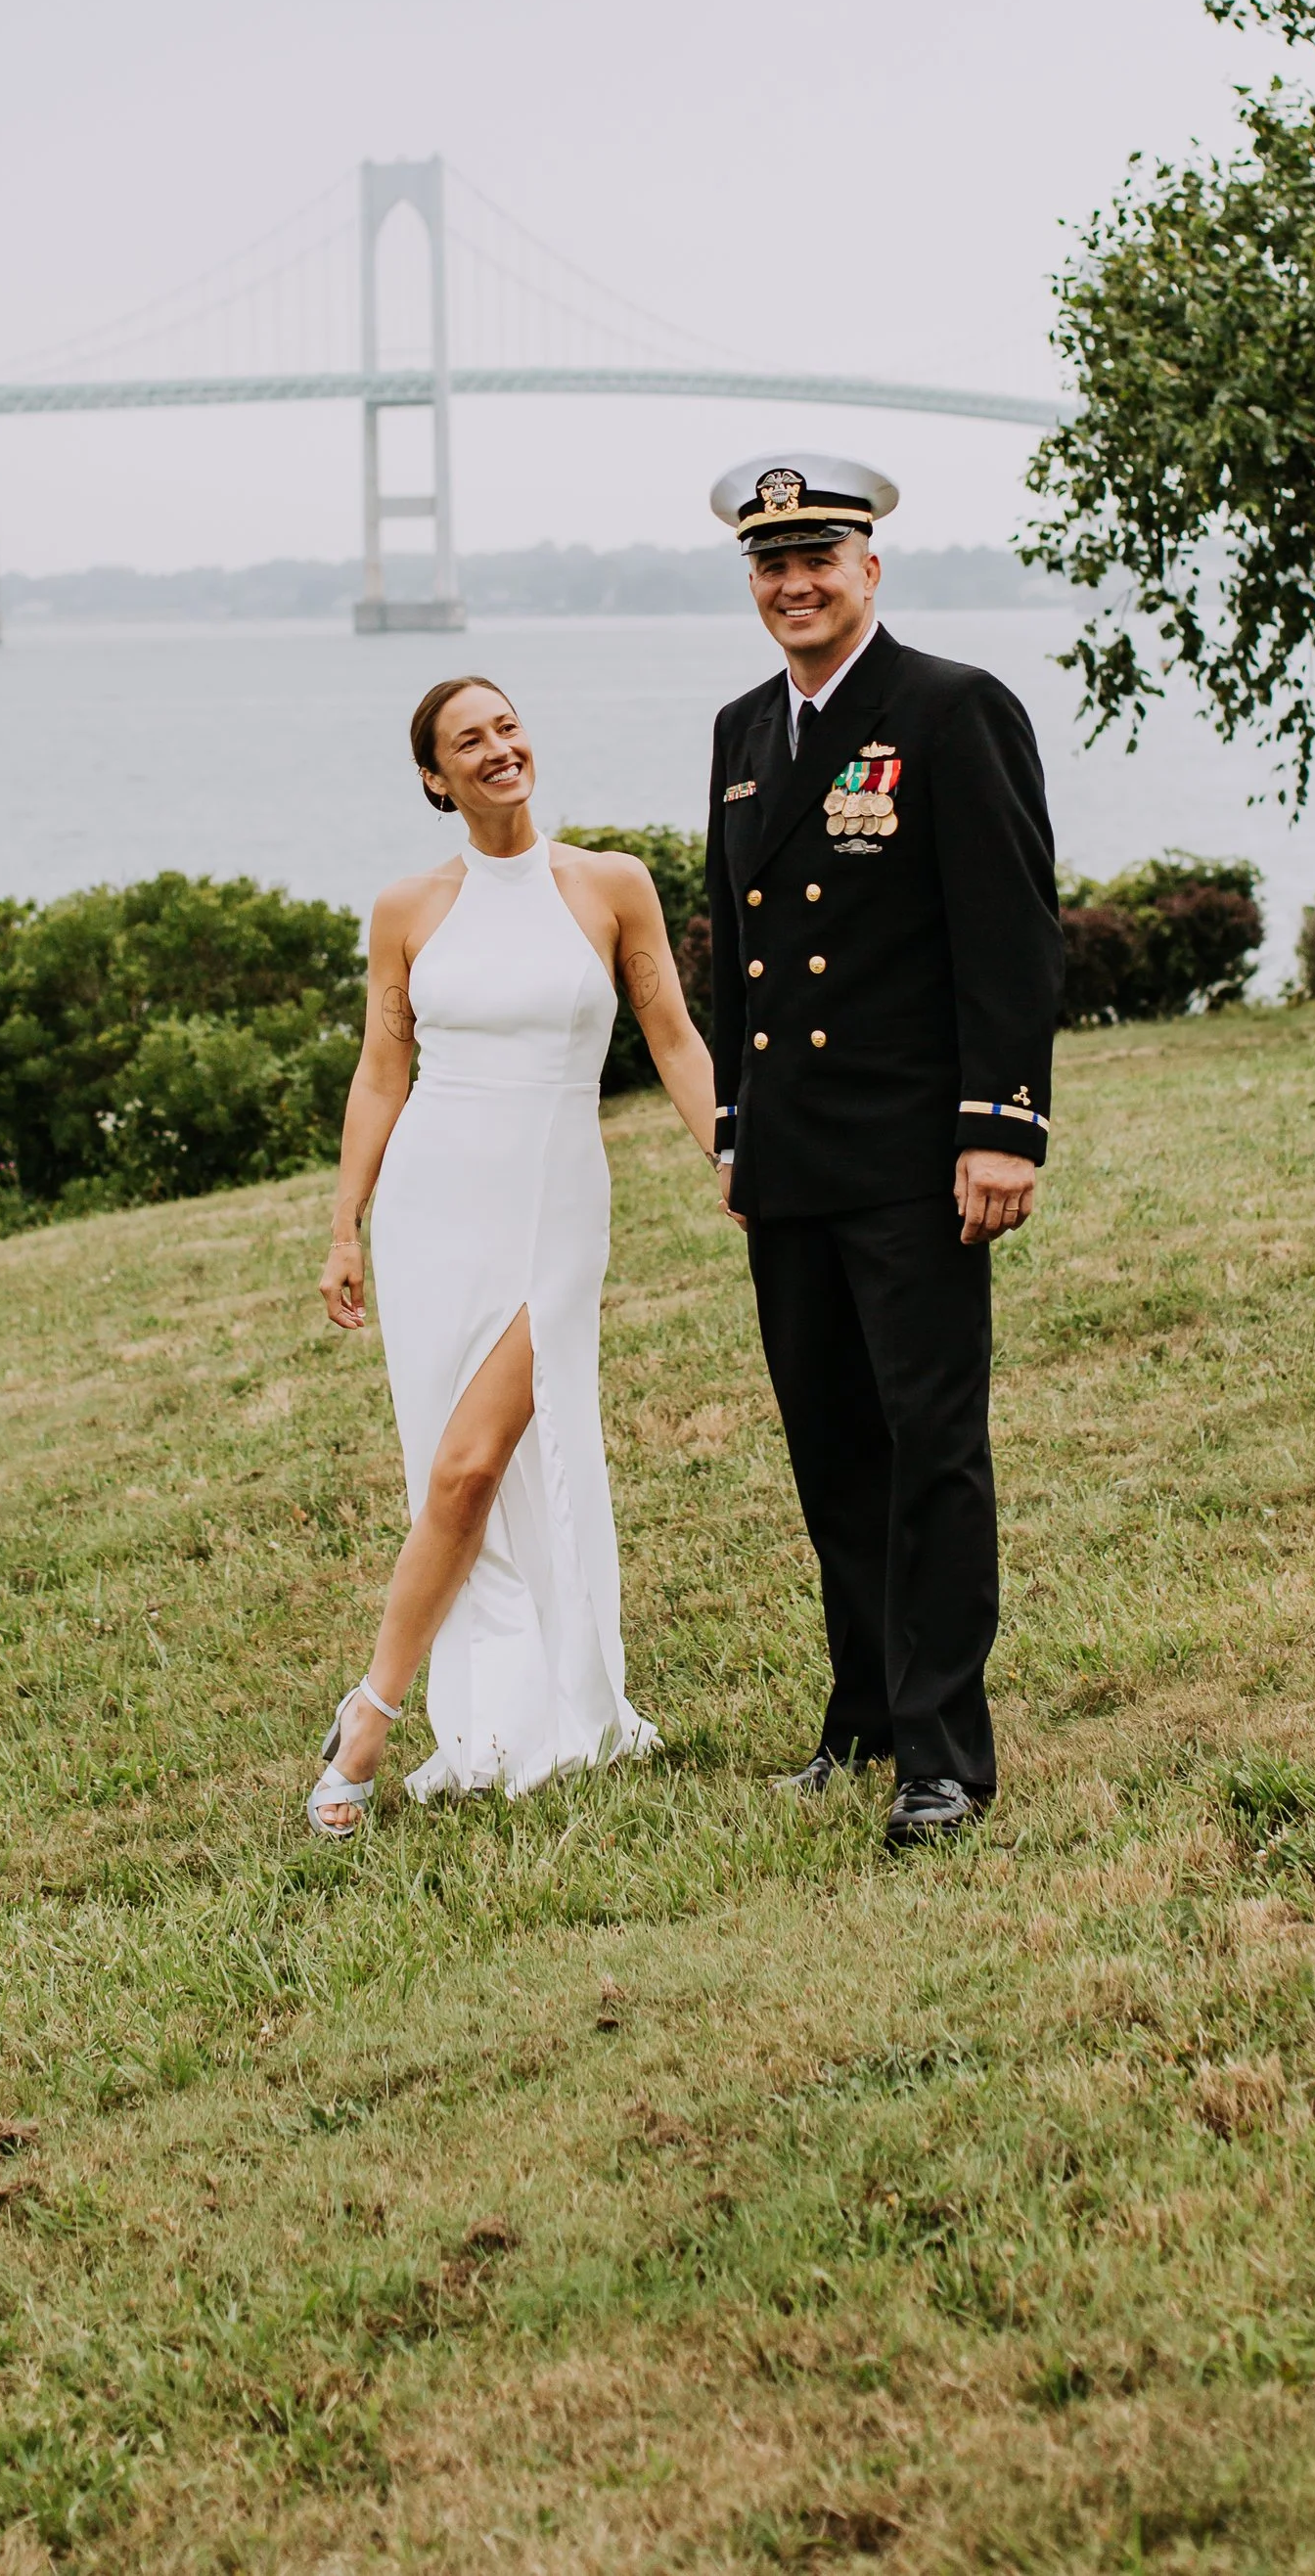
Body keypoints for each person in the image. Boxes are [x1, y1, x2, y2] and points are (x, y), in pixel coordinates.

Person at [703, 453, 1063, 1851]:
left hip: (918, 1157)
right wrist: (736, 1124)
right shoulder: (743, 728)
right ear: (752, 579)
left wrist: (1001, 1125)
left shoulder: (952, 708)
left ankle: (945, 1754)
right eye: (771, 564)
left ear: (871, 565)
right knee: (832, 1449)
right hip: (790, 1160)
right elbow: (737, 945)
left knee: (930, 1446)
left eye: (820, 558)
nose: (796, 583)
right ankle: (860, 1714)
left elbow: (1010, 927)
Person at [308, 674, 718, 1837]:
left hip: (554, 1210)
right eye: (467, 741)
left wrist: (730, 1152)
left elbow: (673, 1037)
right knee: (447, 1470)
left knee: (473, 1469)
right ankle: (488, 1708)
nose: (498, 749)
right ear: (435, 777)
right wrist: (346, 1221)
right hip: (433, 1212)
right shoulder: (406, 907)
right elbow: (383, 1069)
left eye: (507, 726)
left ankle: (369, 1716)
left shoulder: (608, 885)